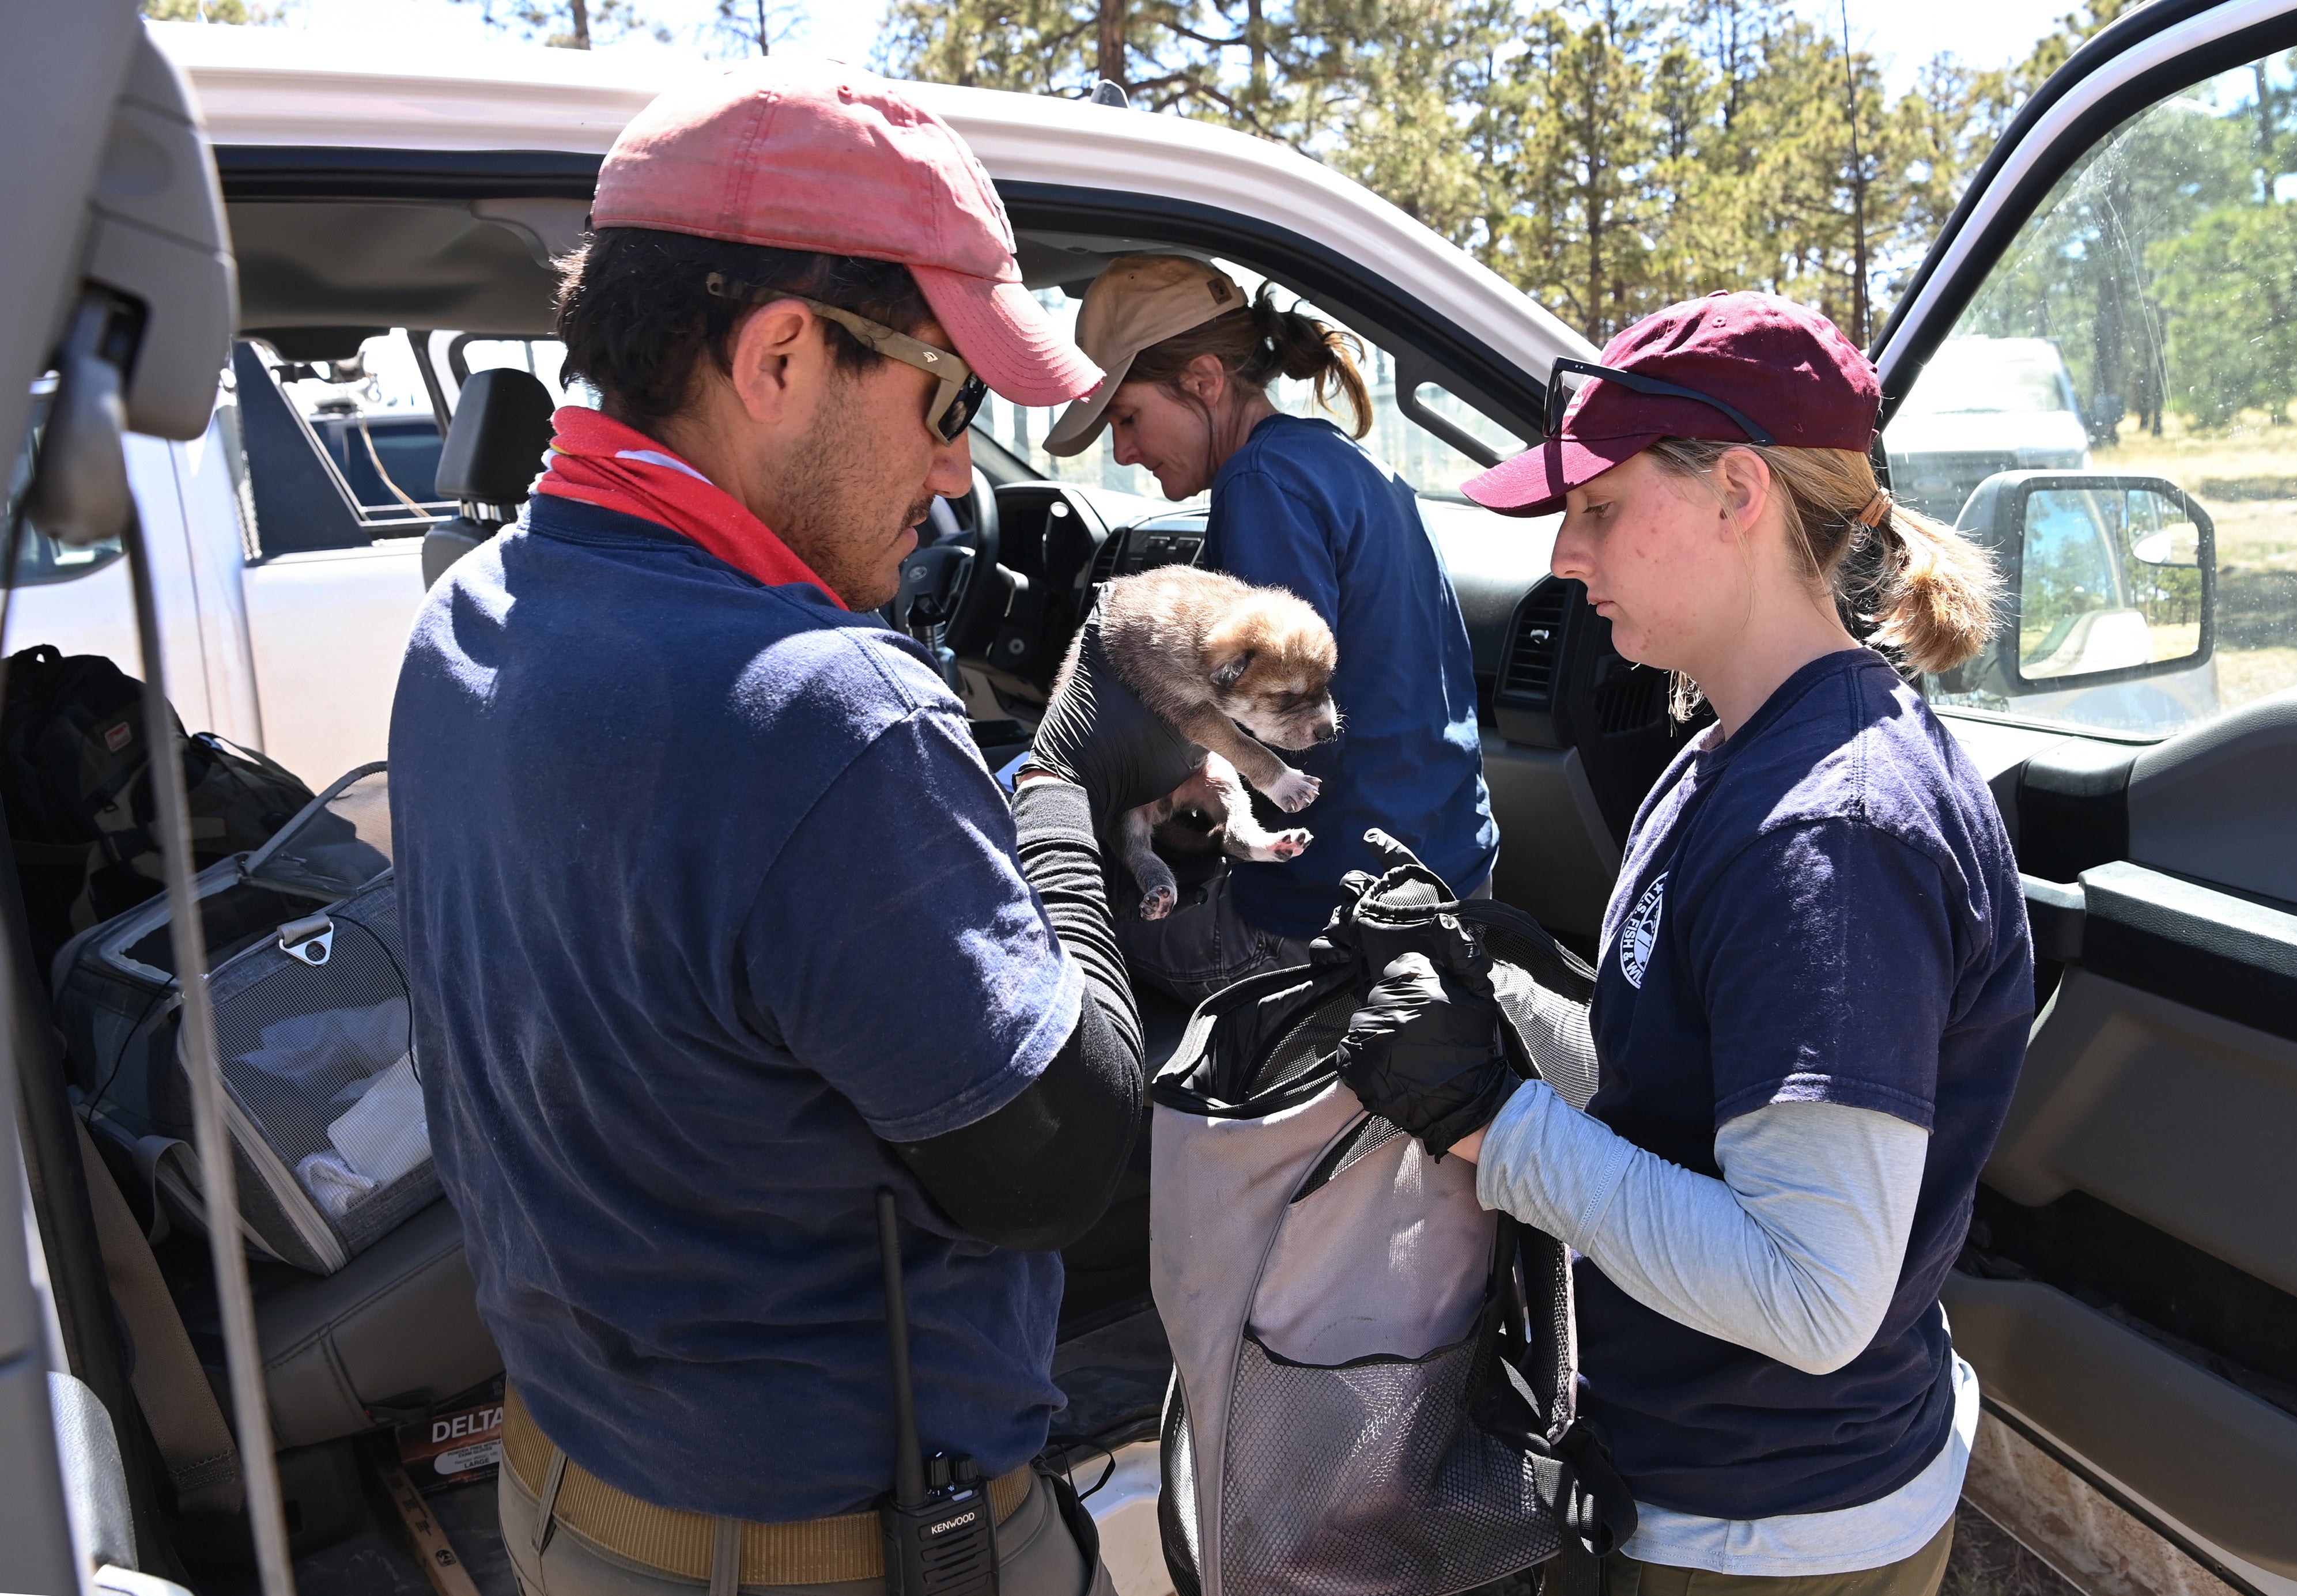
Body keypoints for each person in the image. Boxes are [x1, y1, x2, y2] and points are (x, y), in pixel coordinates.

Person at [389, 62, 1175, 1596]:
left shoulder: (475, 617)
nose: (961, 471)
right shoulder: (821, 717)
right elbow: (1052, 1162)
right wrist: (1069, 782)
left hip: (573, 1493)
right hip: (835, 1550)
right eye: (947, 399)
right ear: (778, 357)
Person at [1334, 292, 2034, 1596]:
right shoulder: (1722, 756)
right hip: (1694, 1473)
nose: (1564, 554)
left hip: (1776, 1527)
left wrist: (1490, 1122)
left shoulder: (1833, 836)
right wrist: (1496, 988)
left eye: (1599, 505)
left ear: (1738, 491)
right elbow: (1670, 1093)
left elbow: (1811, 1294)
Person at [1041, 255, 1496, 1001]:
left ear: (1204, 382)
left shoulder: (1260, 489)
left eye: (1128, 418)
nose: (1122, 452)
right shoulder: (1329, 462)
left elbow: (1285, 717)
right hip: (1451, 862)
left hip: (1320, 918)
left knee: (1081, 931)